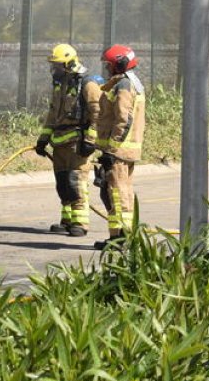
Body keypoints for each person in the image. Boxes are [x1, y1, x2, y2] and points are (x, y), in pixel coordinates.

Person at [34, 43, 103, 237]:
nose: (54, 69)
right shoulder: (59, 85)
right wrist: (43, 138)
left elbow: (98, 114)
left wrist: (90, 140)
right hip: (59, 143)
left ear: (70, 64)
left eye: (58, 65)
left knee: (76, 182)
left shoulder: (87, 84)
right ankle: (67, 220)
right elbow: (53, 114)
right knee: (63, 183)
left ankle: (80, 223)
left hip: (77, 144)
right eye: (53, 65)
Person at [94, 44, 146, 250]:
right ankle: (117, 237)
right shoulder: (128, 83)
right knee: (116, 192)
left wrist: (111, 150)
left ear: (120, 64)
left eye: (109, 65)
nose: (107, 69)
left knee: (118, 193)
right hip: (122, 150)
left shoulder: (124, 85)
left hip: (119, 151)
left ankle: (122, 239)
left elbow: (123, 119)